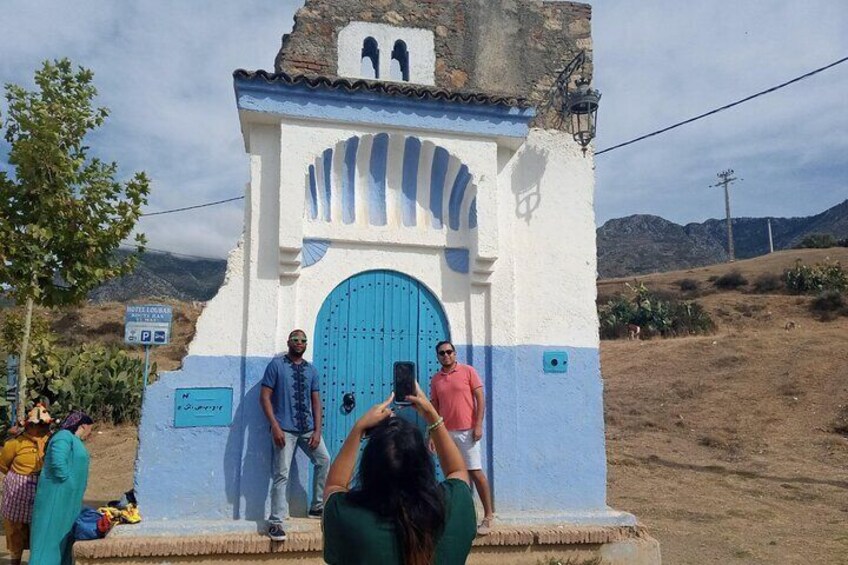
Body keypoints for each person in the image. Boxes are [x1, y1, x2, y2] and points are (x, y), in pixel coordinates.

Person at [322, 385, 476, 565]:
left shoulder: (348, 518)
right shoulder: (453, 505)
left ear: (369, 467)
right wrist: (431, 415)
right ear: (423, 464)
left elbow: (334, 487)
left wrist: (358, 429)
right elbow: (457, 471)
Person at [260, 329, 331, 541]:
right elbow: (264, 397)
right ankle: (275, 522)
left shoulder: (311, 370)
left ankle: (317, 506)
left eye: (303, 340)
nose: (299, 343)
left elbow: (316, 402)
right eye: (295, 340)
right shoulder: (276, 366)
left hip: (307, 428)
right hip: (284, 430)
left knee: (324, 459)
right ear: (289, 342)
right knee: (281, 473)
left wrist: (318, 430)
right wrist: (274, 426)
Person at [430, 340, 495, 535]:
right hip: (446, 433)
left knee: (475, 472)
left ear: (455, 353)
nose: (446, 355)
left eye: (449, 351)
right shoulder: (436, 380)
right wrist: (433, 434)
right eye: (442, 353)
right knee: (455, 477)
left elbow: (480, 398)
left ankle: (489, 515)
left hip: (468, 431)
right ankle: (462, 518)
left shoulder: (468, 371)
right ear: (438, 356)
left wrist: (478, 424)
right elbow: (435, 408)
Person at [30, 410, 93, 565]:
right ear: (83, 425)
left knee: (63, 538)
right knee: (49, 536)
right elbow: (58, 462)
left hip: (69, 500)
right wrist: (67, 480)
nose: (90, 432)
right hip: (56, 497)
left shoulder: (74, 440)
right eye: (91, 428)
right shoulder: (63, 436)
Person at [0, 404, 53, 565]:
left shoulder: (51, 441)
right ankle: (15, 560)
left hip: (41, 489)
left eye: (45, 425)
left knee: (39, 527)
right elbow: (3, 464)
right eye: (39, 425)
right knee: (16, 528)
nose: (43, 428)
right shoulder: (15, 444)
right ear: (29, 426)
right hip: (17, 492)